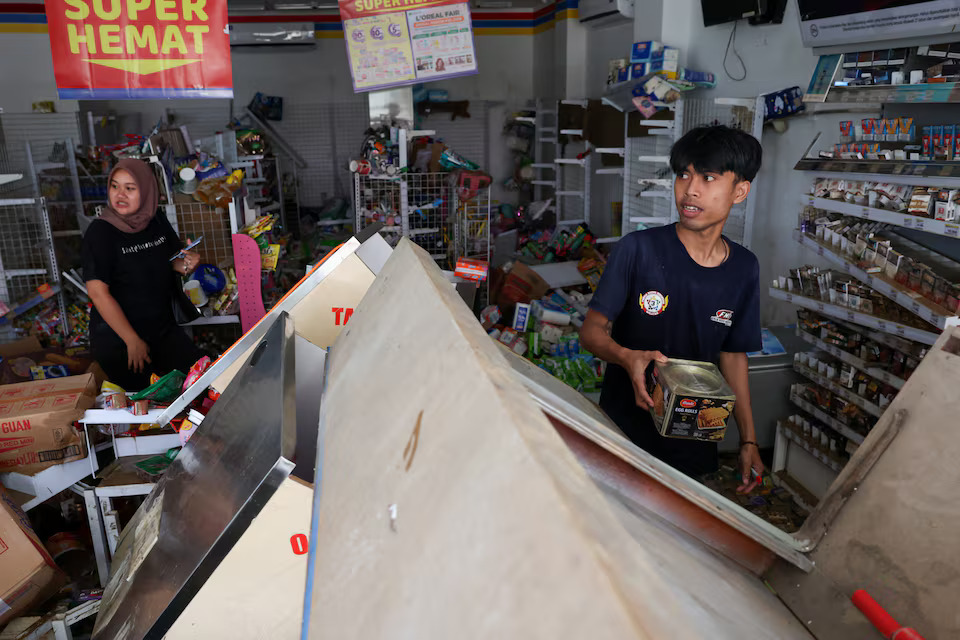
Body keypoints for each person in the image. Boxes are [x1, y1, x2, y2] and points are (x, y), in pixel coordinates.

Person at [579, 125, 764, 493]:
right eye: (684, 175)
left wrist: (748, 441)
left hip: (694, 440)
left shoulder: (744, 267)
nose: (690, 189)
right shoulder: (638, 250)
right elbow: (591, 332)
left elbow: (733, 355)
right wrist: (626, 356)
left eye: (708, 178)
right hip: (624, 433)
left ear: (739, 191)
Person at [82, 158, 205, 391]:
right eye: (115, 186)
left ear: (147, 190)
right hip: (122, 341)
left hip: (162, 330)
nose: (120, 195)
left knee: (202, 380)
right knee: (151, 406)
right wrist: (131, 340)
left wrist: (189, 263)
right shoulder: (101, 233)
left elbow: (171, 263)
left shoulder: (155, 219)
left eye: (130, 188)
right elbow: (98, 293)